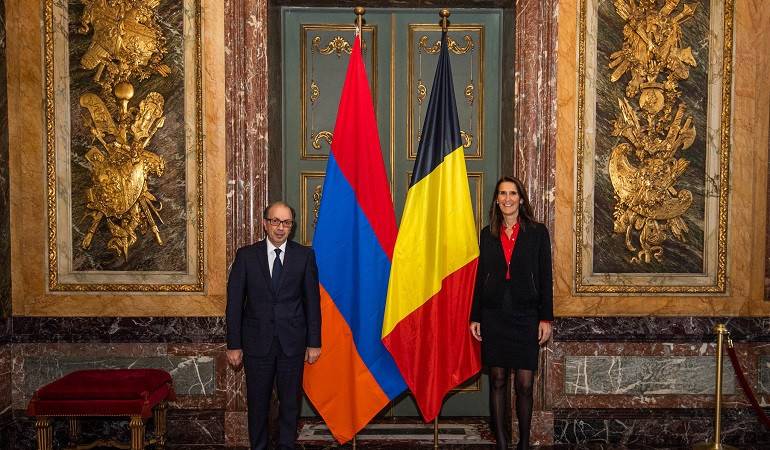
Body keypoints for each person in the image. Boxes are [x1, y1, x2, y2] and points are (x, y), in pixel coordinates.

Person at [226, 201, 322, 450]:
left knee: (290, 405)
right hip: (257, 344)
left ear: (292, 226)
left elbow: (312, 302)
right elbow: (235, 304)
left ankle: (286, 446)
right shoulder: (246, 256)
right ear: (265, 223)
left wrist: (314, 342)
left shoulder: (304, 256)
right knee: (258, 404)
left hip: (292, 344)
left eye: (287, 222)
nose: (281, 227)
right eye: (276, 221)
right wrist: (233, 344)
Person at [469, 176, 553, 450]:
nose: (507, 198)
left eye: (512, 193)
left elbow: (545, 277)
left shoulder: (538, 233)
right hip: (494, 315)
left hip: (526, 315)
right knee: (497, 379)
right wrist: (476, 316)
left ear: (521, 199)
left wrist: (545, 318)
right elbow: (480, 277)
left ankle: (524, 443)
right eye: (502, 194)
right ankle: (502, 444)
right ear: (496, 199)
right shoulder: (487, 233)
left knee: (525, 383)